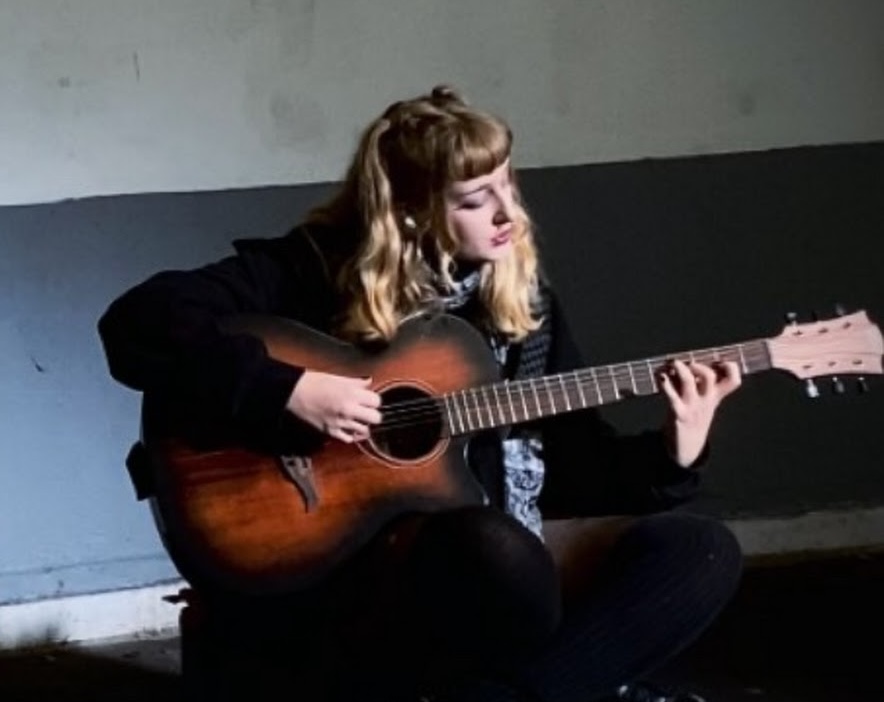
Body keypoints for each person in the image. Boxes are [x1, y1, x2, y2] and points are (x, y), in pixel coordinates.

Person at [98, 85, 744, 702]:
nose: (508, 214)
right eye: (476, 200)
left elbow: (572, 470)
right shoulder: (316, 270)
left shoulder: (525, 306)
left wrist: (674, 451)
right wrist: (289, 389)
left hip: (504, 569)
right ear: (411, 210)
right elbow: (138, 321)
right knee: (488, 546)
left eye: (509, 184)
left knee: (699, 549)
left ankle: (497, 697)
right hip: (363, 566)